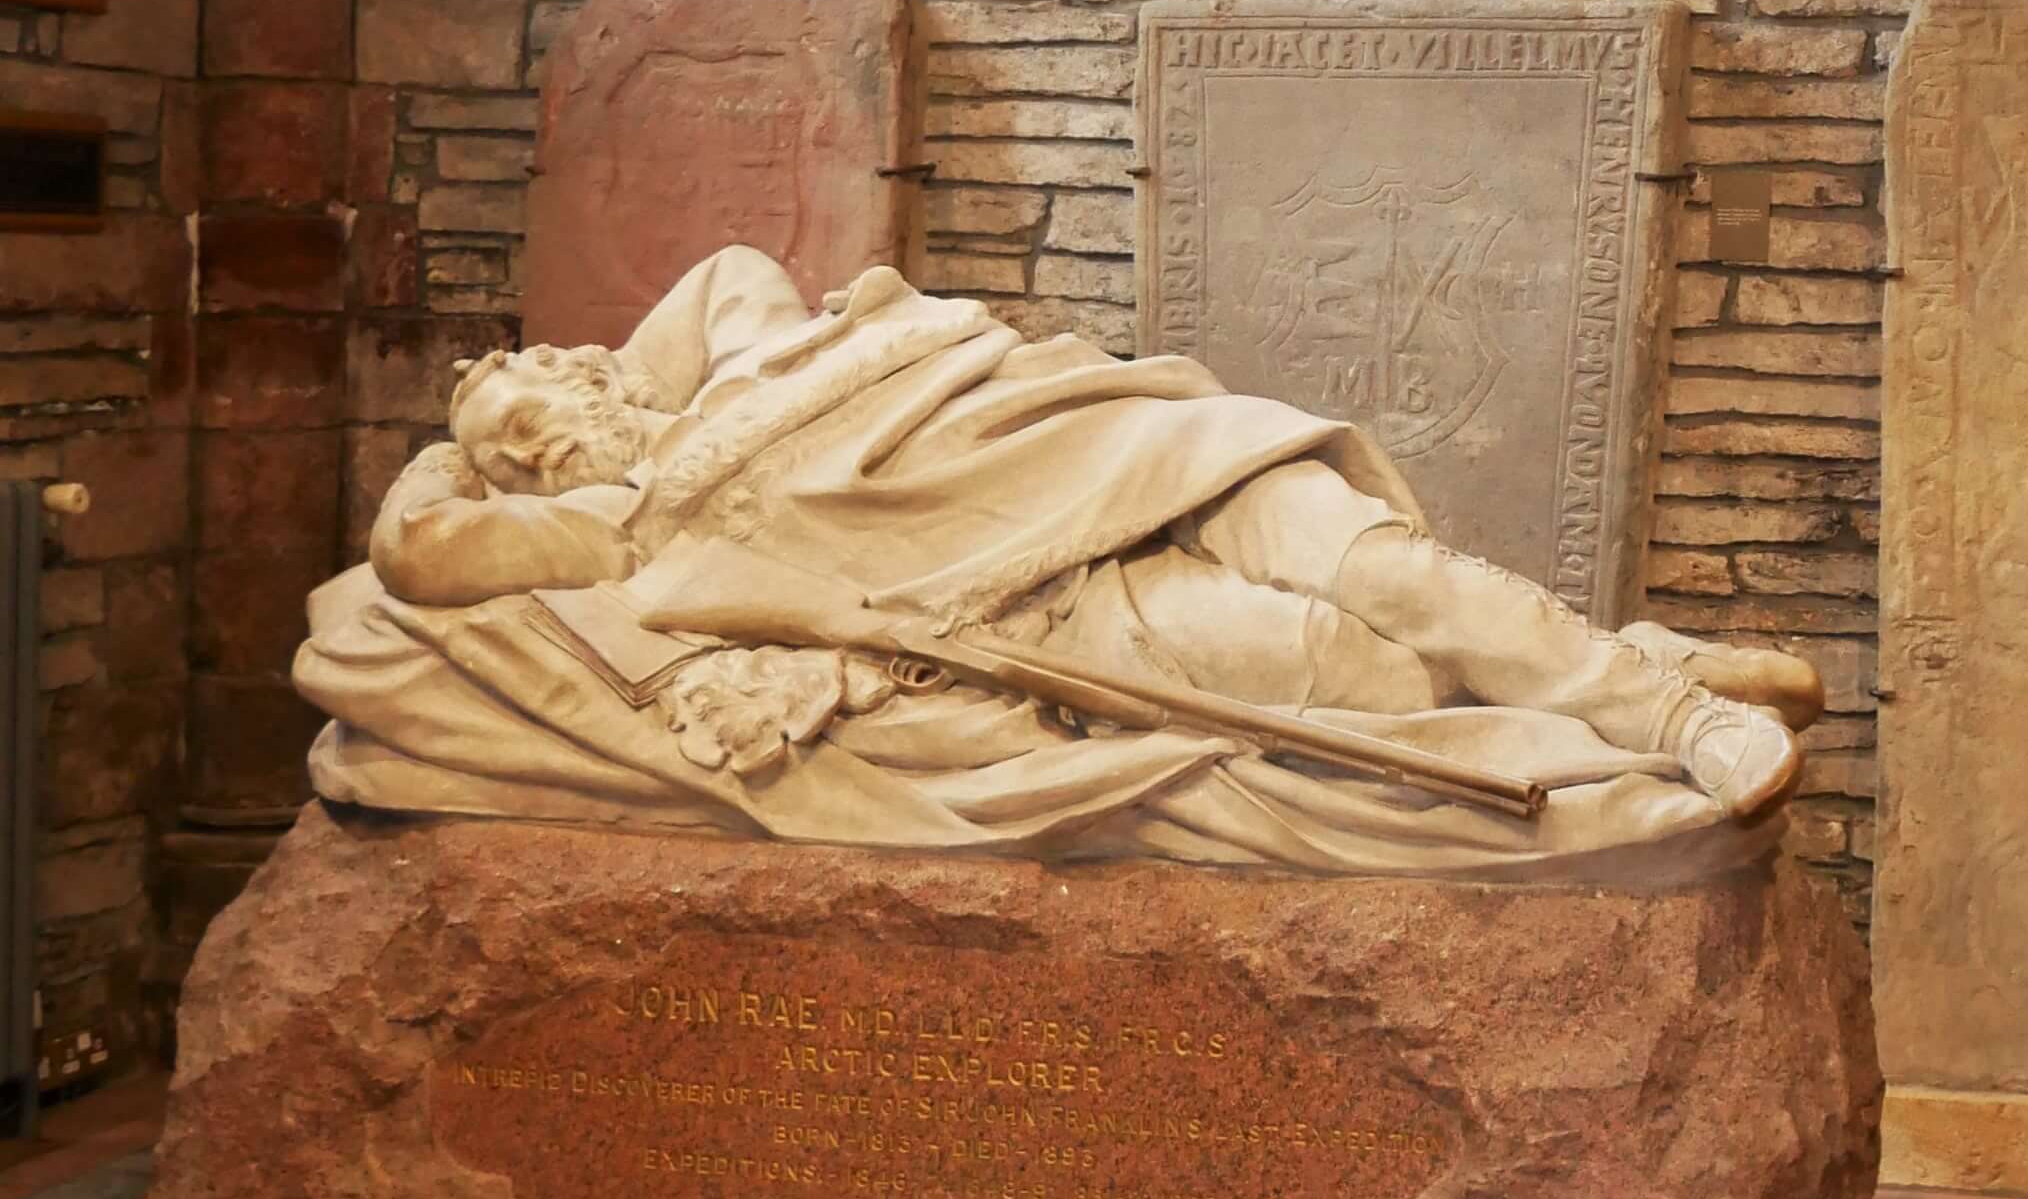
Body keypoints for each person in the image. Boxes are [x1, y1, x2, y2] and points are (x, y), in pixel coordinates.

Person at [301, 248, 1822, 883]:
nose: (534, 454)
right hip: (1061, 599)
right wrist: (471, 452)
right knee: (1365, 676)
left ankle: (1685, 720)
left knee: (1403, 578)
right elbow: (421, 559)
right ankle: (1636, 674)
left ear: (589, 369)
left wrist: (630, 398)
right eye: (514, 460)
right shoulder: (630, 529)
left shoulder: (753, 343)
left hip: (1125, 462)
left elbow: (720, 279)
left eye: (530, 417)